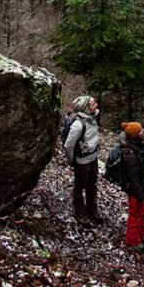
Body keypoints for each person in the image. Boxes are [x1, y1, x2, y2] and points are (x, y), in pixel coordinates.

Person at [62, 94, 101, 223]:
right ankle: (80, 212)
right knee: (79, 188)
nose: (96, 105)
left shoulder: (92, 118)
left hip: (93, 158)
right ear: (86, 108)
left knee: (92, 185)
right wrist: (72, 160)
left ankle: (92, 209)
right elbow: (68, 145)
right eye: (93, 104)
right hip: (82, 161)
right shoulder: (78, 124)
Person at [118, 120, 144, 250]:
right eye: (141, 131)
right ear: (136, 135)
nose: (143, 131)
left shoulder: (138, 146)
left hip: (141, 189)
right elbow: (133, 178)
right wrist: (140, 195)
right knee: (135, 215)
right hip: (135, 191)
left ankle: (140, 236)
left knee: (141, 213)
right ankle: (132, 240)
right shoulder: (131, 155)